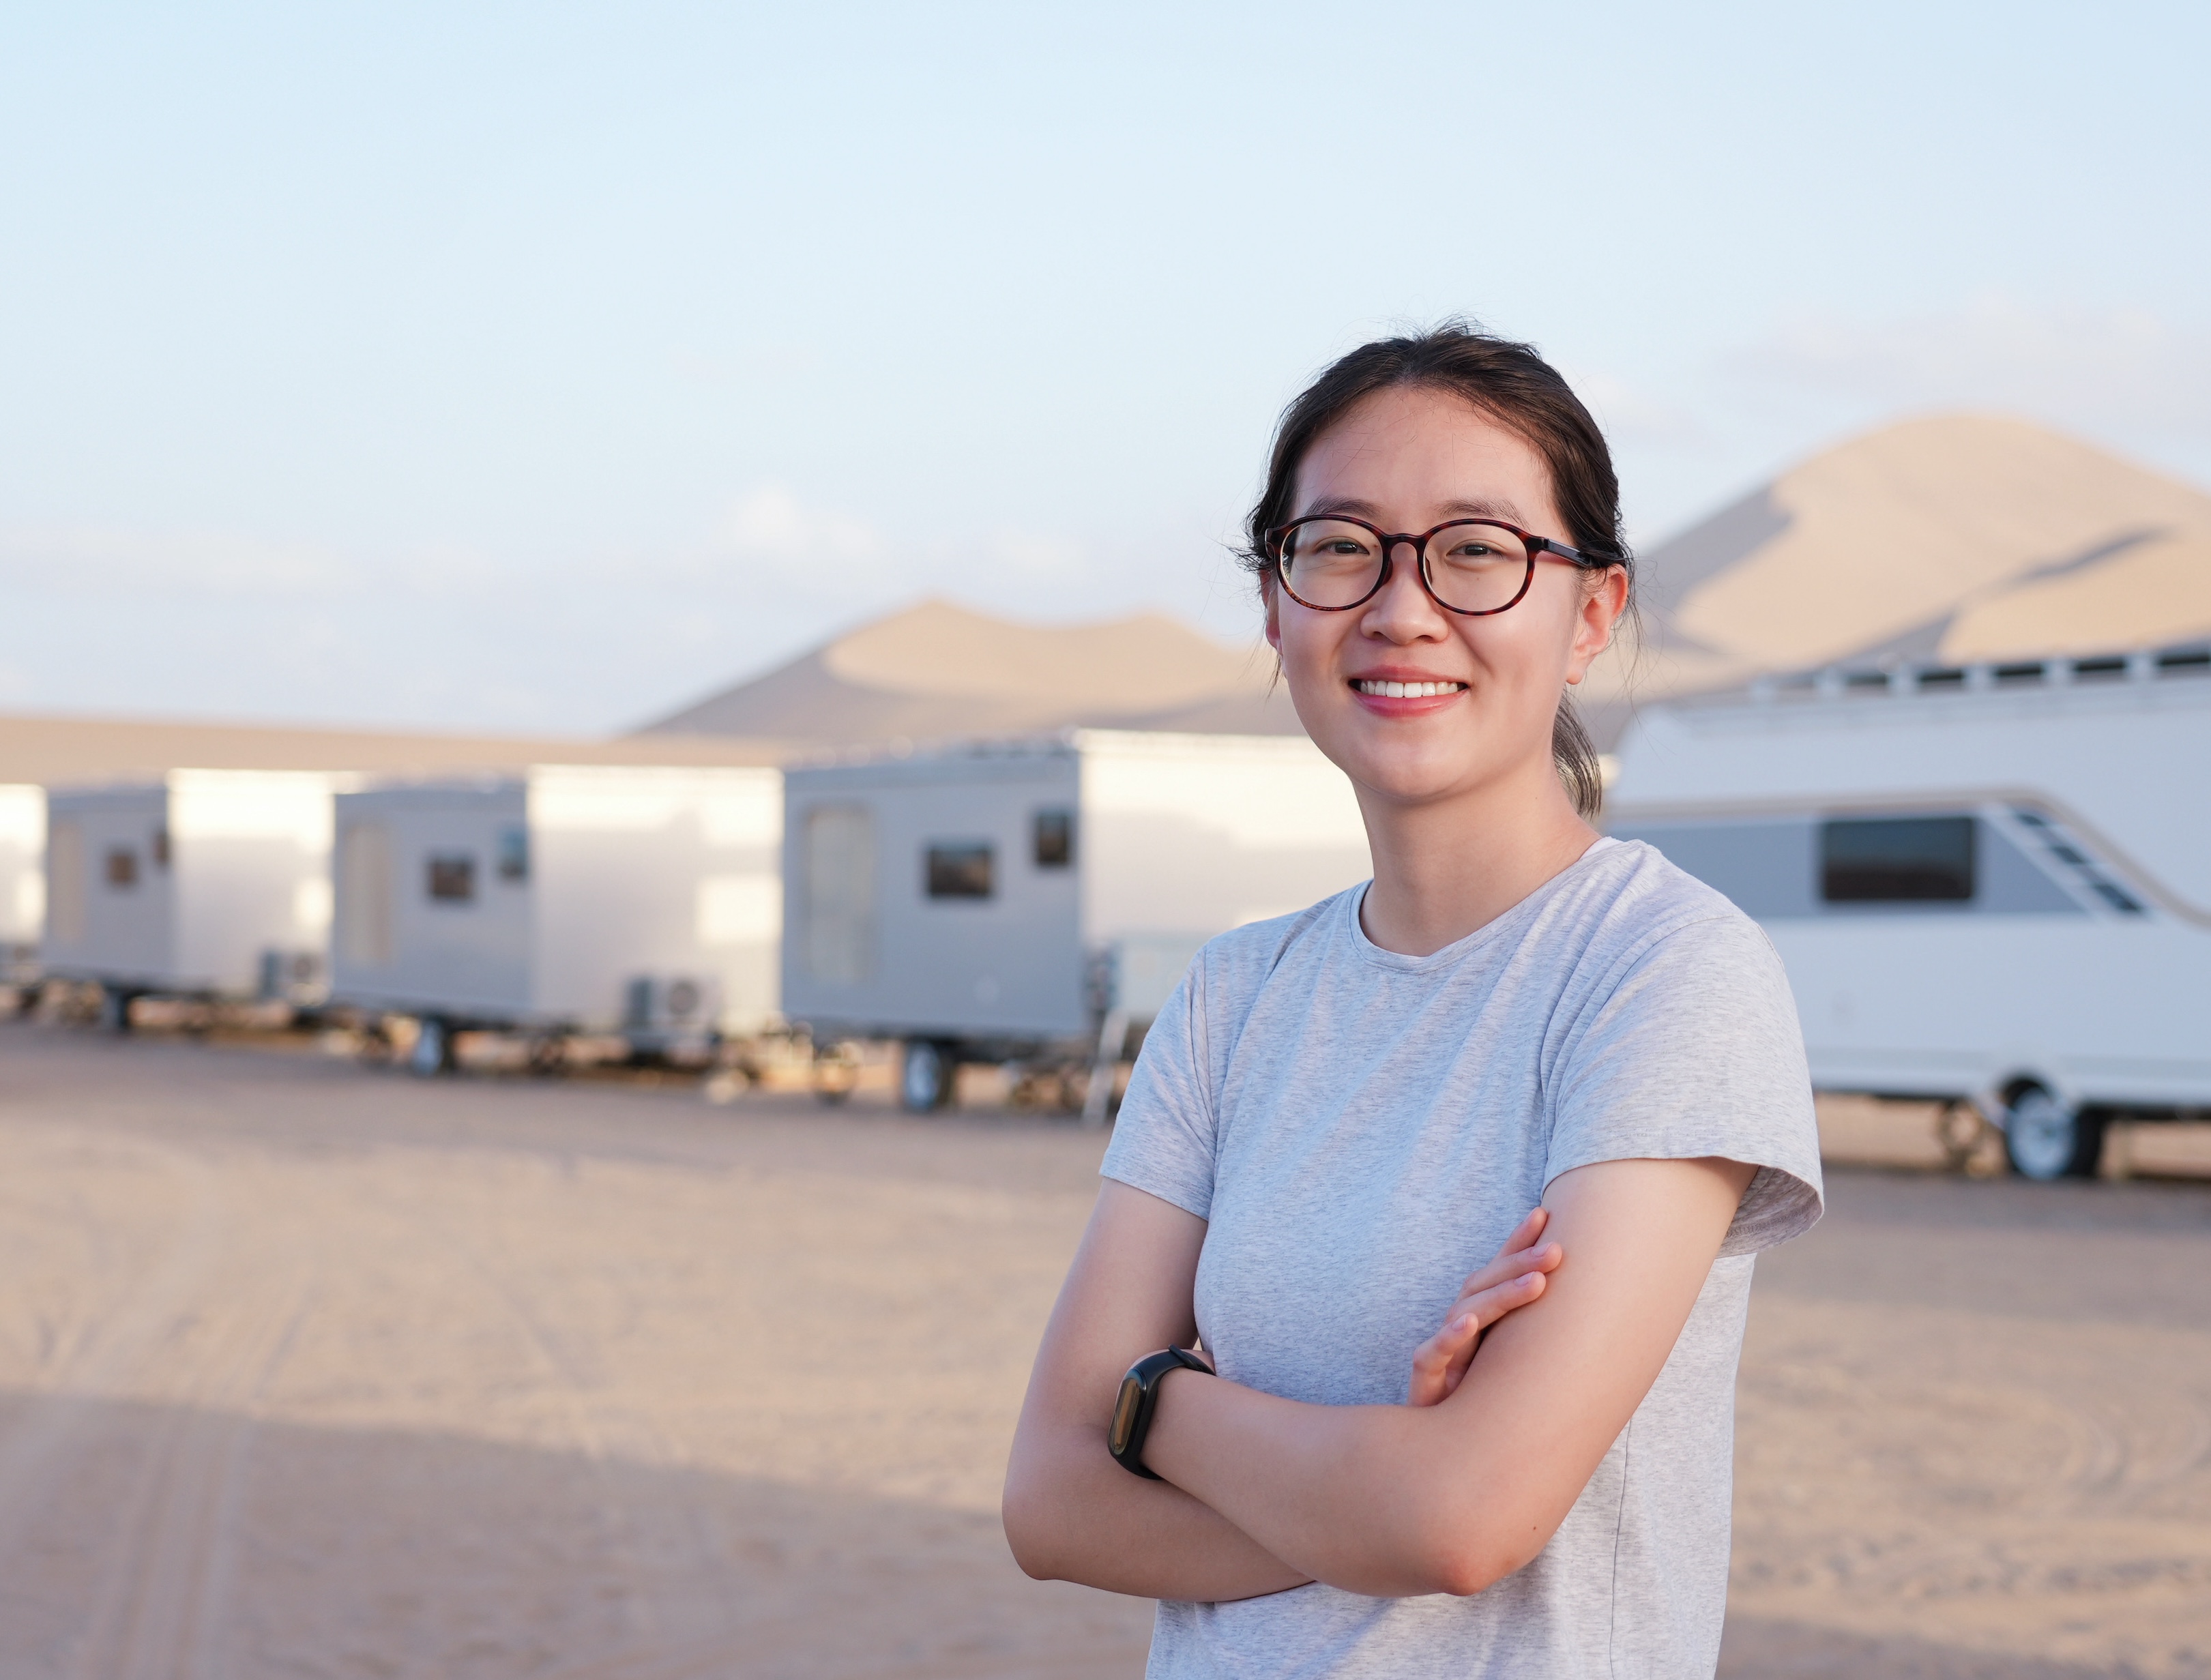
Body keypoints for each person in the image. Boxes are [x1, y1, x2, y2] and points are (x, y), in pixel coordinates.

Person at [1001, 323, 1822, 1677]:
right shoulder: (1235, 994)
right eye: (1339, 546)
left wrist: (1158, 1405)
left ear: (1593, 612)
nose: (1401, 604)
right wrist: (1372, 1474)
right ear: (1275, 605)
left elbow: (1461, 1518)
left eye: (1477, 550)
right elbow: (1048, 1496)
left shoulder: (1663, 970)